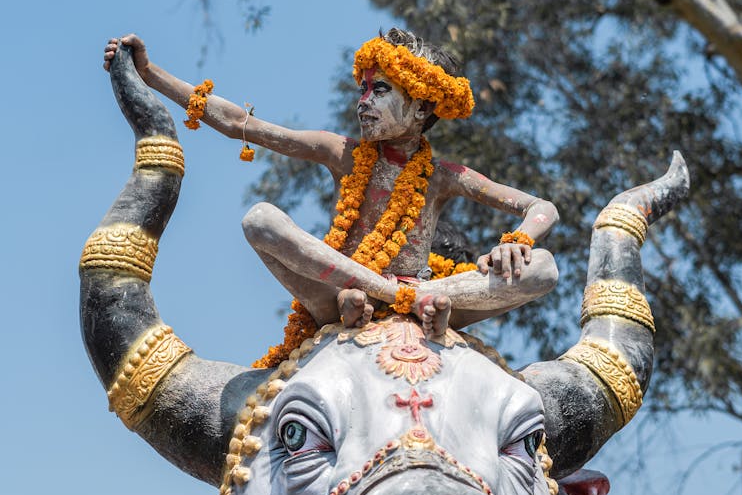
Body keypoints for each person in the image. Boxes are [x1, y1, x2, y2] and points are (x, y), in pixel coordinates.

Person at [103, 29, 558, 342]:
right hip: (335, 294)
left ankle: (407, 296)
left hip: (430, 293)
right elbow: (240, 123)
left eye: (379, 91)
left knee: (542, 268)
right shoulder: (338, 152)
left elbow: (542, 207)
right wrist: (151, 74)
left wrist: (519, 241)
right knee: (260, 219)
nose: (363, 103)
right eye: (363, 90)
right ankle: (397, 298)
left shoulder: (443, 177)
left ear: (421, 109)